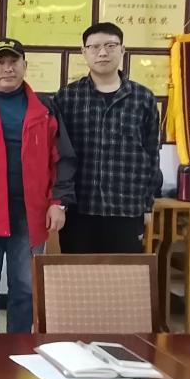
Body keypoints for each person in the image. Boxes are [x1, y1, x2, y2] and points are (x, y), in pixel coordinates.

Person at [0, 38, 76, 333]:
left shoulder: (45, 107)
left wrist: (58, 202)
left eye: (14, 62)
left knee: (24, 285)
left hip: (30, 212)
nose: (7, 68)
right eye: (0, 62)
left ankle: (18, 347)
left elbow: (62, 158)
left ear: (25, 66)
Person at [55, 22, 162, 254]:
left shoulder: (143, 98)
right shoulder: (67, 98)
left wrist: (147, 204)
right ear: (84, 52)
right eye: (94, 47)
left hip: (126, 208)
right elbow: (58, 154)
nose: (102, 53)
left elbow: (152, 154)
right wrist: (59, 202)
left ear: (122, 50)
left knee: (122, 274)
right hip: (79, 209)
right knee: (77, 272)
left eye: (110, 46)